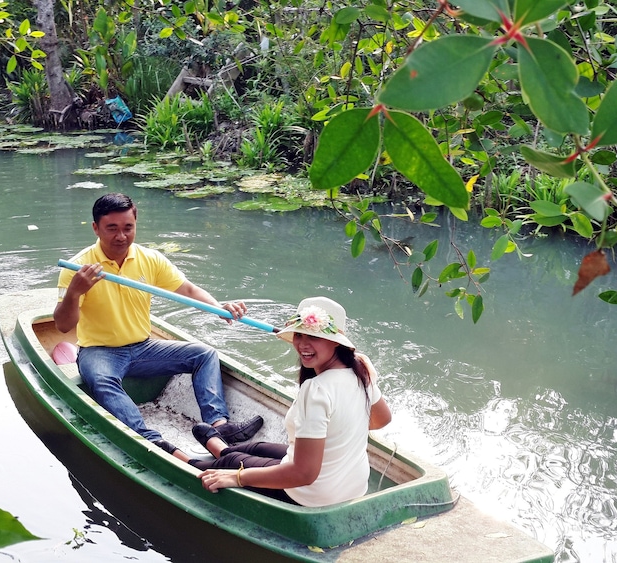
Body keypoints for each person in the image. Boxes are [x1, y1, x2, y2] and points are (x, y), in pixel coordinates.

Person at [54, 192, 263, 452]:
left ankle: (218, 425)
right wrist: (75, 291)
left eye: (128, 228)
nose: (121, 236)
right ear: (96, 228)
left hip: (143, 348)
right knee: (101, 380)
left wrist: (219, 307)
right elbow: (63, 325)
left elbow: (187, 290)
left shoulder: (149, 259)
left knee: (204, 354)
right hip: (99, 351)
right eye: (112, 228)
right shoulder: (77, 267)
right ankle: (151, 440)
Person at [162, 296, 392, 507]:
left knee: (233, 464)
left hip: (311, 495)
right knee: (258, 448)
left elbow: (304, 474)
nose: (302, 344)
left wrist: (238, 477)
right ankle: (219, 447)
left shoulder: (317, 389)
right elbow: (382, 419)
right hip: (351, 486)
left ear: (336, 342)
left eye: (314, 336)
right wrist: (339, 431)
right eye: (299, 335)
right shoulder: (360, 368)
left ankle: (184, 459)